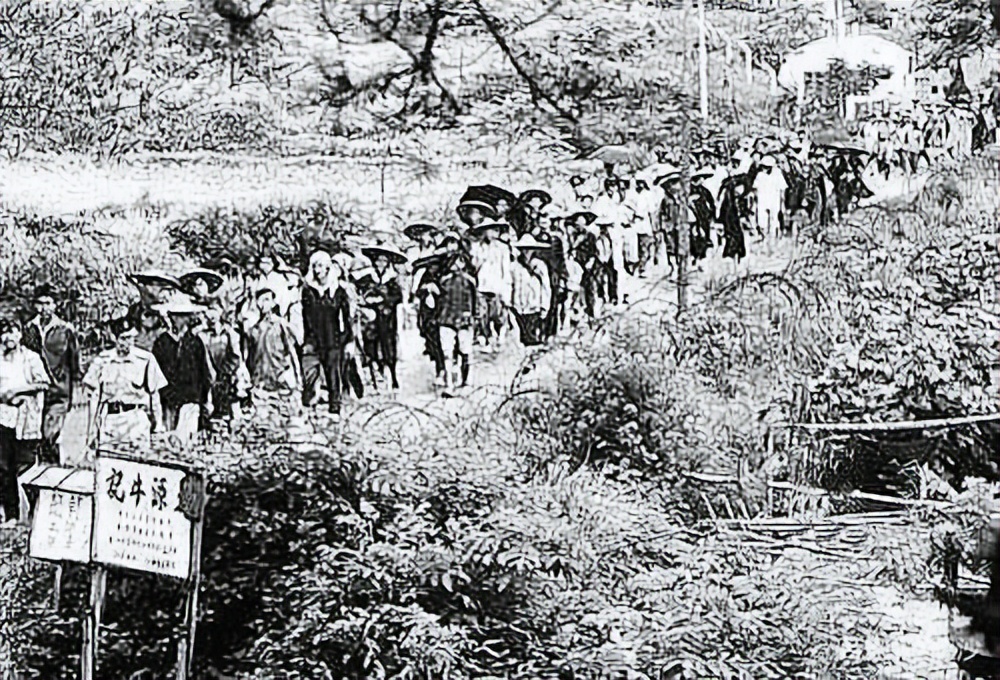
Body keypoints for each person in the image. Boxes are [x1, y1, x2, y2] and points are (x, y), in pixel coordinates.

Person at [82, 316, 168, 451]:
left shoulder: (145, 359)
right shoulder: (103, 361)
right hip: (110, 419)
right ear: (115, 339)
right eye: (123, 338)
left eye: (131, 338)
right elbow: (94, 398)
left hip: (136, 418)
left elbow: (154, 395)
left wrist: (158, 426)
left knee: (138, 465)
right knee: (108, 463)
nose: (128, 342)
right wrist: (91, 430)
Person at [0, 316, 50, 525]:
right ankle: (11, 515)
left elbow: (44, 382)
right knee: (3, 467)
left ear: (20, 335)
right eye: (5, 332)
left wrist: (19, 391)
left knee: (26, 466)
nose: (9, 337)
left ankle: (37, 511)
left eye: (13, 332)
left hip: (25, 420)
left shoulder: (30, 358)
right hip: (2, 417)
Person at [21, 288, 79, 465]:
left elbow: (74, 363)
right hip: (36, 391)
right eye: (40, 303)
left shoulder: (65, 329)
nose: (44, 308)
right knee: (35, 435)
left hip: (59, 391)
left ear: (55, 305)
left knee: (50, 433)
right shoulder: (29, 328)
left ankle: (52, 471)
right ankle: (40, 478)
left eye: (48, 303)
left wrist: (75, 393)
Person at [300, 251, 353, 416]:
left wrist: (349, 341)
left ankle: (334, 409)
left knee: (333, 373)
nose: (318, 270)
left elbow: (346, 317)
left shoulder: (338, 291)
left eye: (321, 266)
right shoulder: (308, 291)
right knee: (311, 374)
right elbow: (305, 317)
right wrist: (307, 340)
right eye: (315, 266)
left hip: (334, 338)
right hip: (314, 339)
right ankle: (311, 409)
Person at [152, 301, 213, 438]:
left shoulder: (195, 342)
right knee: (168, 438)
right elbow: (156, 371)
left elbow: (203, 372)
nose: (180, 320)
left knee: (186, 438)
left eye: (184, 316)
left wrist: (205, 399)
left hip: (190, 397)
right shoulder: (162, 342)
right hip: (168, 398)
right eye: (177, 316)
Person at [360, 245, 407, 391]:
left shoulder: (392, 281)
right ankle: (377, 375)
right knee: (371, 346)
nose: (380, 263)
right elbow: (359, 293)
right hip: (371, 320)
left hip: (388, 318)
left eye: (384, 261)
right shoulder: (367, 278)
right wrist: (367, 300)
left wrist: (384, 299)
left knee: (388, 347)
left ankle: (392, 376)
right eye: (378, 260)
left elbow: (398, 297)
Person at [247, 287, 302, 403]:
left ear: (273, 304)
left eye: (267, 300)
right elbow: (248, 356)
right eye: (260, 300)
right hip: (261, 383)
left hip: (281, 379)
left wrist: (297, 378)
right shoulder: (253, 329)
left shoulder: (281, 325)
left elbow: (292, 351)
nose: (263, 304)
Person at [436, 252, 478, 396]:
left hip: (464, 320)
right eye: (454, 262)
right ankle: (449, 384)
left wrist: (474, 316)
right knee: (447, 354)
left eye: (460, 262)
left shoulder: (469, 281)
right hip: (446, 319)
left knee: (465, 352)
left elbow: (475, 302)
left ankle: (466, 382)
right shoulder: (443, 281)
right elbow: (438, 302)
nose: (457, 265)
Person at [468, 221, 512, 353]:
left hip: (496, 286)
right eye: (489, 230)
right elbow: (473, 267)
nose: (492, 234)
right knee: (482, 315)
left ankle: (499, 336)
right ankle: (486, 339)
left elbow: (506, 269)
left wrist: (506, 289)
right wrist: (480, 257)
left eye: (495, 231)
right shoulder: (477, 247)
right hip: (482, 285)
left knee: (497, 313)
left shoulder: (503, 248)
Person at [199, 305, 245, 424]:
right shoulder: (203, 336)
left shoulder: (230, 334)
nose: (211, 317)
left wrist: (227, 373)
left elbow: (236, 356)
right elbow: (205, 357)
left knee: (234, 409)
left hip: (230, 376)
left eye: (213, 313)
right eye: (208, 314)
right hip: (213, 379)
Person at [510, 235, 552, 347]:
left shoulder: (540, 266)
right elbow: (511, 284)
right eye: (524, 249)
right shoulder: (514, 266)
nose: (527, 252)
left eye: (529, 248)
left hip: (534, 305)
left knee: (533, 337)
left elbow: (546, 286)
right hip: (518, 306)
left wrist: (545, 305)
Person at [753, 156, 787, 241]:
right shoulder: (760, 175)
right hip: (762, 199)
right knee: (762, 219)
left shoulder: (778, 174)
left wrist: (783, 201)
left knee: (774, 219)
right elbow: (755, 187)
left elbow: (783, 188)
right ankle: (764, 236)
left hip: (774, 199)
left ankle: (772, 237)